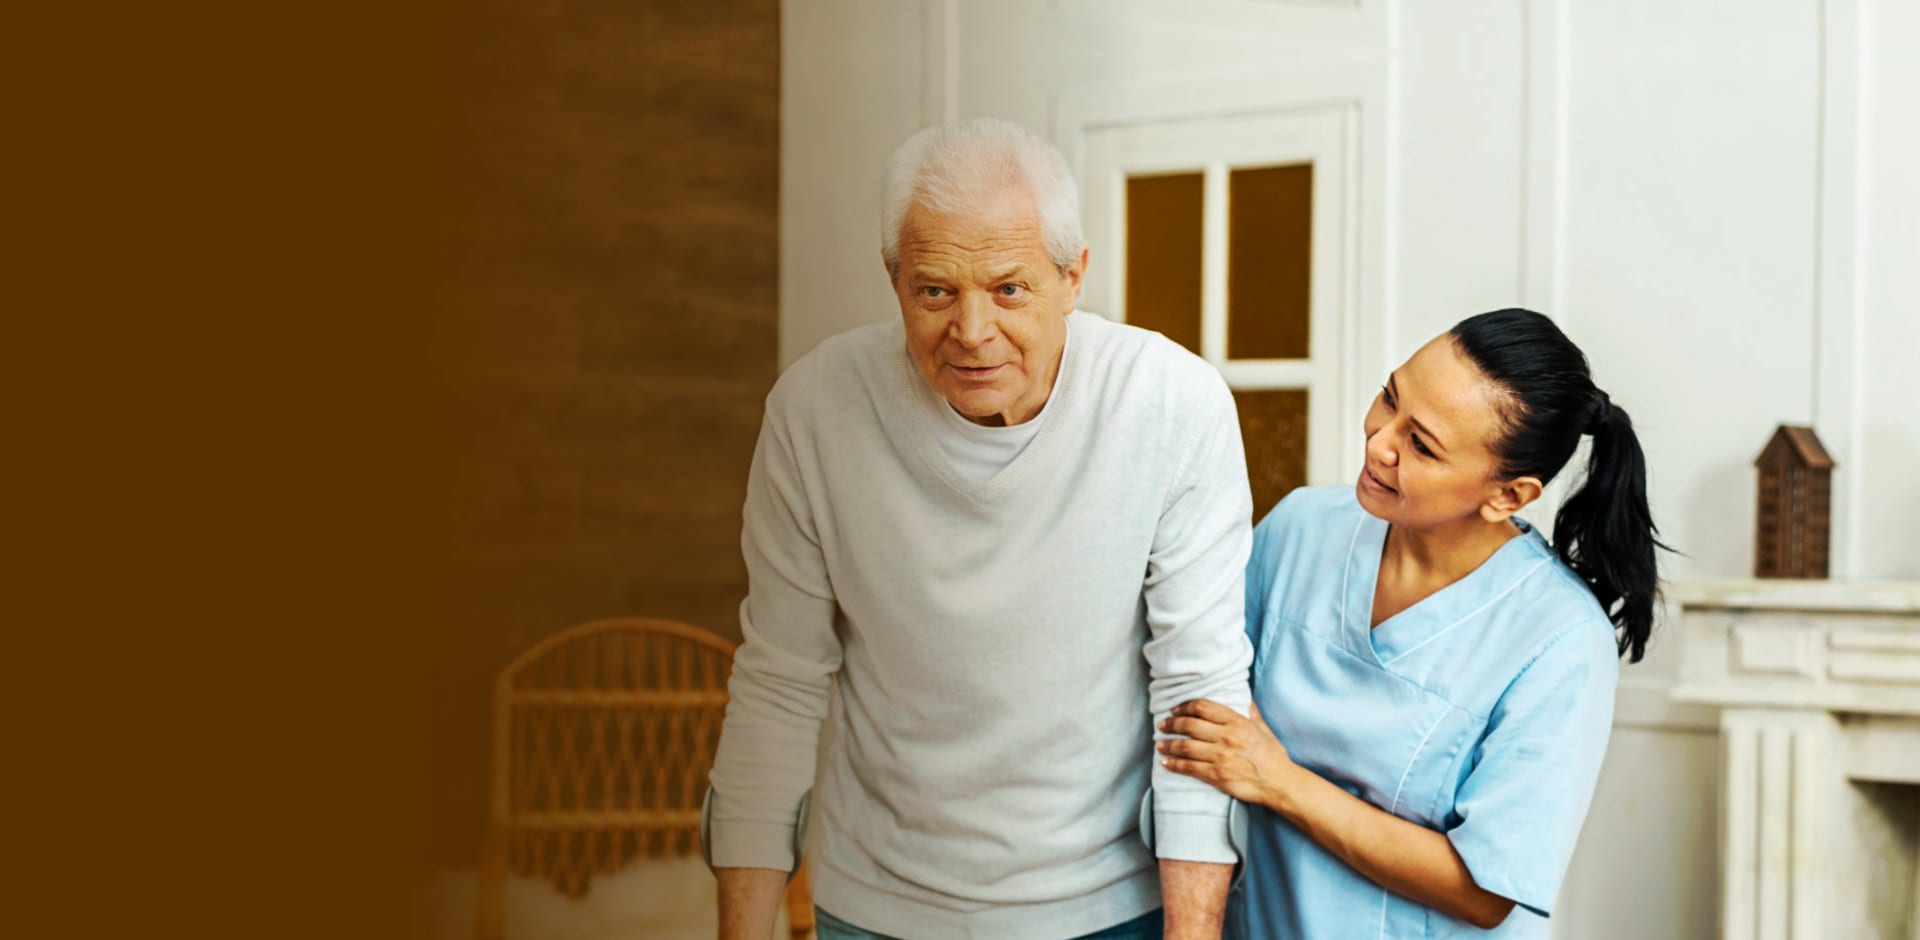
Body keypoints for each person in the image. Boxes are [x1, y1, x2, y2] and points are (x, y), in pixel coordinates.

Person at [703, 117, 1255, 940]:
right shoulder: (814, 410)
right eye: (935, 291)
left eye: (1009, 288)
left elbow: (1196, 693)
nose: (971, 332)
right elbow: (779, 683)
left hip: (1108, 906)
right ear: (893, 280)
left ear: (1074, 277)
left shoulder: (1171, 402)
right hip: (876, 902)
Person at [1156, 308, 1664, 938]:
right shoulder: (1300, 530)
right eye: (1389, 397)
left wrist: (1281, 781)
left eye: (1421, 444)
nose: (1379, 442)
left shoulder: (1560, 639)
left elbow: (1486, 893)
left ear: (1508, 495)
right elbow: (1199, 697)